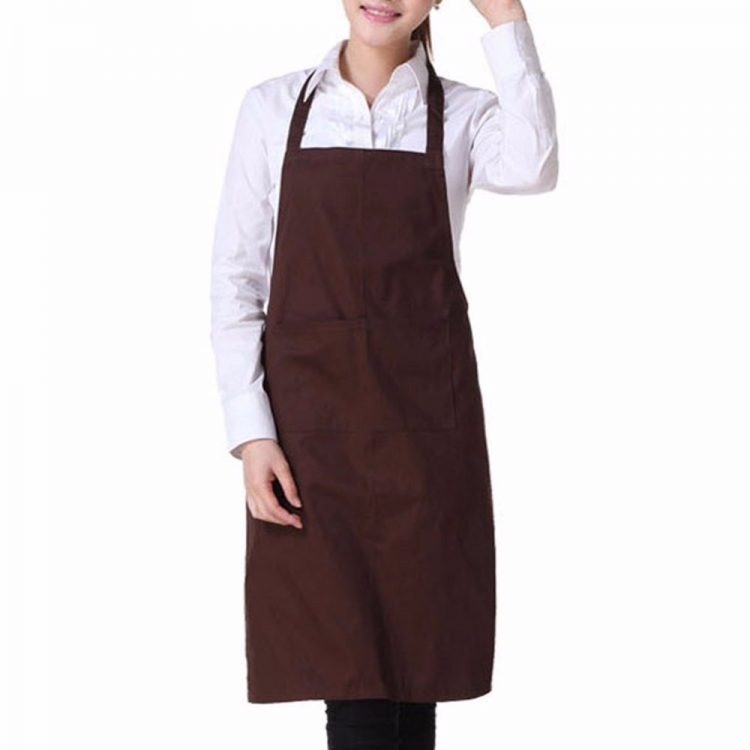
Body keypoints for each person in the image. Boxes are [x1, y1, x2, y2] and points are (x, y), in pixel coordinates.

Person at [209, 0, 557, 747]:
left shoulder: (463, 115)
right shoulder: (273, 108)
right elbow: (236, 280)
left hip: (424, 434)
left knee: (415, 667)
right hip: (310, 437)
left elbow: (535, 163)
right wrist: (251, 433)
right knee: (352, 676)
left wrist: (505, 15)